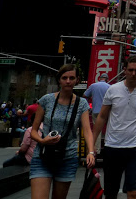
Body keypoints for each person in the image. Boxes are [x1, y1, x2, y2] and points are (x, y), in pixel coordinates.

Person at [92, 56, 136, 199]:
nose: (133, 73)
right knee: (111, 192)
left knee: (134, 192)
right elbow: (102, 116)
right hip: (113, 146)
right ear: (124, 70)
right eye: (130, 70)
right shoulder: (113, 89)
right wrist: (92, 144)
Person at [29, 64, 95, 199]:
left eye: (72, 78)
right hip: (43, 156)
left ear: (77, 80)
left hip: (67, 157)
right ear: (59, 80)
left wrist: (91, 152)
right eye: (64, 78)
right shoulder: (46, 100)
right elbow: (33, 131)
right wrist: (42, 140)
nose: (68, 81)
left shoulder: (81, 103)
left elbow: (87, 130)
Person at [83, 72, 111, 154]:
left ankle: (97, 150)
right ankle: (108, 148)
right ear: (107, 79)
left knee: (97, 131)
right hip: (107, 111)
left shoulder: (93, 86)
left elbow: (84, 96)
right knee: (109, 129)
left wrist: (92, 98)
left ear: (100, 78)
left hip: (96, 111)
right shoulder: (110, 87)